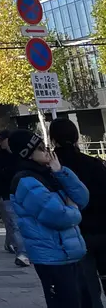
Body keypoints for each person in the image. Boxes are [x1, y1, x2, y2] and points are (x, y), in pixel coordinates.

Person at [9, 128, 103, 307]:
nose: (47, 151)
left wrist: (61, 172)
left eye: (45, 146)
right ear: (27, 154)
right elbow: (58, 216)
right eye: (40, 148)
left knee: (86, 301)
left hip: (71, 252)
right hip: (52, 256)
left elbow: (82, 198)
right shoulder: (25, 181)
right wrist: (73, 210)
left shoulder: (50, 173)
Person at [50, 118, 106, 294]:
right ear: (76, 137)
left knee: (89, 290)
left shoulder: (50, 168)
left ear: (53, 138)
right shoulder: (94, 164)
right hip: (102, 228)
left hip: (74, 234)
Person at [0, 130, 29, 265]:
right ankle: (22, 252)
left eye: (1, 139)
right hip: (3, 194)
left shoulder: (17, 156)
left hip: (16, 193)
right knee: (13, 222)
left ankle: (10, 244)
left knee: (11, 222)